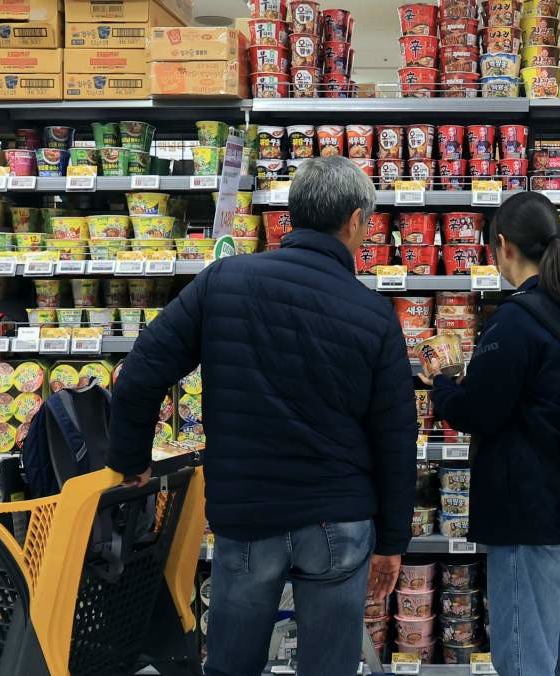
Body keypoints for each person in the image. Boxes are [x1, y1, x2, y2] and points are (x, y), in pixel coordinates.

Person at [108, 155, 417, 676]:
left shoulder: (222, 282)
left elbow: (138, 374)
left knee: (232, 666)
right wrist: (392, 541)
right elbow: (395, 440)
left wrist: (132, 460)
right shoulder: (373, 316)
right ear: (355, 222)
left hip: (248, 514)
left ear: (293, 216)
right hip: (337, 518)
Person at [426, 192, 560, 676]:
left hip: (529, 515)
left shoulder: (514, 321)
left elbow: (479, 413)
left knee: (524, 657)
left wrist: (443, 383)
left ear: (504, 245)